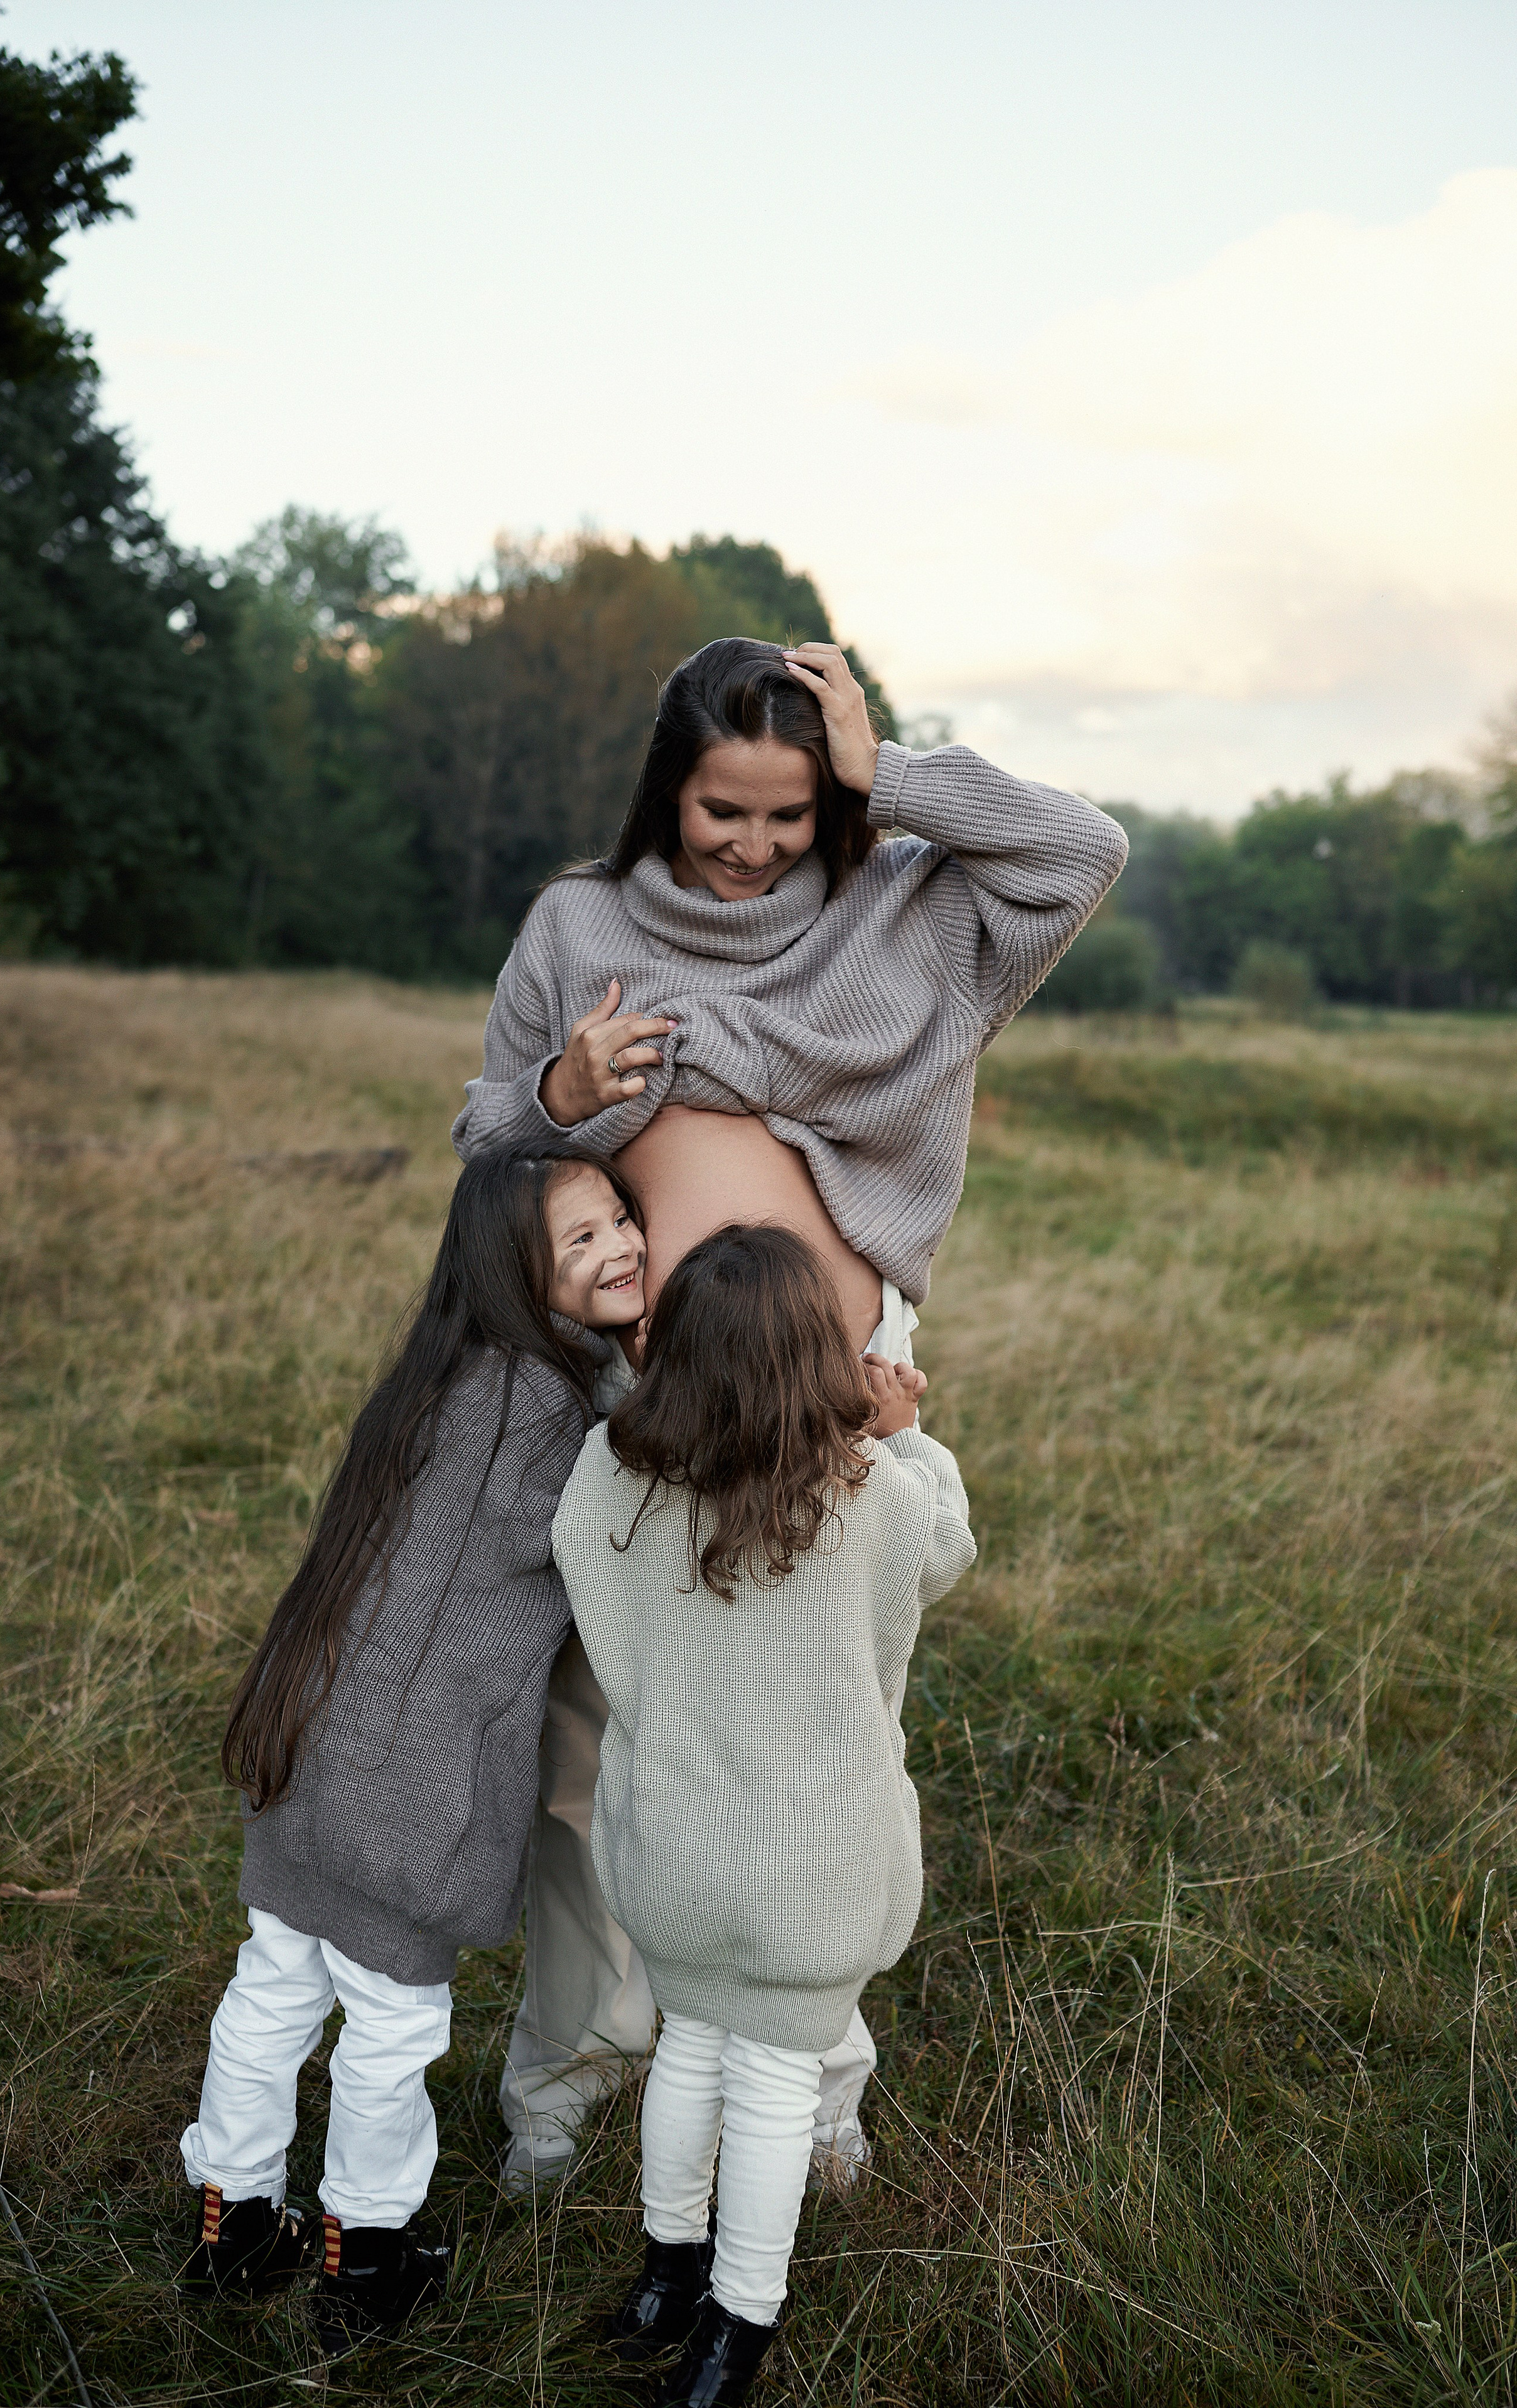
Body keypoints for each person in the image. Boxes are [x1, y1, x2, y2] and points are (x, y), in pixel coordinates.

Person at [453, 635, 1127, 2188]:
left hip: (836, 1407)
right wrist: (563, 1102)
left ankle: (809, 2083)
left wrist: (891, 774)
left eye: (788, 810)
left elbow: (1080, 851)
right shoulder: (580, 922)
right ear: (663, 795)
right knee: (607, 1739)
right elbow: (489, 1141)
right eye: (719, 813)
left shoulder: (904, 905)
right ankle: (573, 2075)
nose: (754, 847)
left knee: (822, 1731)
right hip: (635, 1394)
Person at [176, 1147, 645, 2354]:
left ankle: (231, 2220)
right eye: (580, 1241)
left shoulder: (441, 1376)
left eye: (621, 1220)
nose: (621, 1248)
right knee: (389, 2027)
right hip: (418, 1784)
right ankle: (366, 2250)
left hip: (315, 1741)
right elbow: (627, 1504)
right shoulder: (556, 1408)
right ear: (515, 1274)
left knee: (272, 1988)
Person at [553, 1226, 976, 2407]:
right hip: (819, 1869)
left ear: (673, 1350)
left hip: (678, 1849)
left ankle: (661, 2281)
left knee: (688, 2047)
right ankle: (734, 2337)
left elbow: (577, 1555)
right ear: (819, 1358)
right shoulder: (869, 1492)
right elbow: (950, 1548)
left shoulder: (614, 1474)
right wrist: (907, 1436)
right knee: (778, 2086)